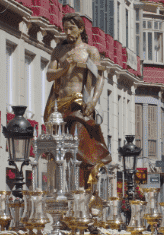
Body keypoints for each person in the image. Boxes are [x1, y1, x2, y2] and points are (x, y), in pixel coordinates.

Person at [45, 12, 111, 175]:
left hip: (79, 104)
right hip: (57, 106)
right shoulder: (59, 51)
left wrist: (93, 101)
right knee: (56, 150)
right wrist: (64, 68)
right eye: (65, 29)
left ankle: (83, 183)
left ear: (81, 28)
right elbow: (49, 76)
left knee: (78, 142)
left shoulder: (90, 51)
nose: (67, 32)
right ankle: (58, 183)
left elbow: (100, 78)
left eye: (71, 29)